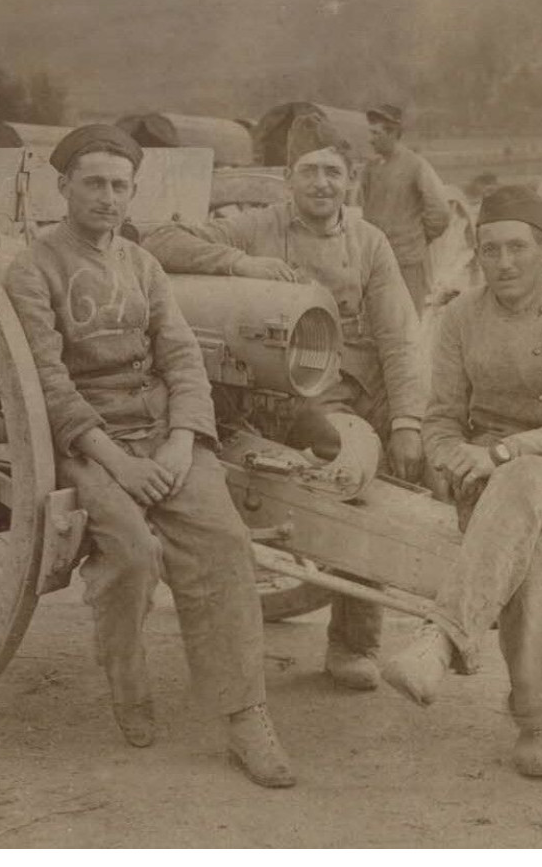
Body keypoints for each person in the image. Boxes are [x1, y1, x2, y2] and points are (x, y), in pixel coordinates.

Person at [3, 125, 295, 788]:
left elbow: (182, 356)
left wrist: (181, 440)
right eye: (93, 184)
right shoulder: (34, 266)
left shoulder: (143, 265)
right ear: (64, 188)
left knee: (222, 542)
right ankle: (127, 679)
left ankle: (245, 716)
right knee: (132, 554)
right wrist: (118, 462)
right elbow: (46, 382)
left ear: (132, 193)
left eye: (118, 186)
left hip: (160, 431)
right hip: (85, 441)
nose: (106, 198)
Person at [142, 113, 426, 691]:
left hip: (348, 394)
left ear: (351, 181)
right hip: (267, 398)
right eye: (308, 172)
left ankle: (354, 643)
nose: (321, 183)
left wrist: (407, 420)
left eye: (333, 172)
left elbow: (399, 337)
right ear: (288, 180)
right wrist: (240, 263)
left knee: (365, 483)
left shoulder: (369, 244)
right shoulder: (258, 227)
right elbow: (160, 241)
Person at [380, 185, 542, 778]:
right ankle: (535, 719)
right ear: (478, 256)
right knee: (531, 554)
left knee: (526, 479)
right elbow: (439, 419)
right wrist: (453, 456)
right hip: (487, 481)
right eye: (491, 250)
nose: (504, 262)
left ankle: (443, 637)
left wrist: (509, 451)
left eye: (518, 247)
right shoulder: (461, 317)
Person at [358, 103, 451, 310]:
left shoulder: (416, 165)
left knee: (407, 318)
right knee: (378, 318)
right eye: (370, 132)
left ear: (392, 133)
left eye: (376, 133)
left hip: (406, 261)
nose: (370, 139)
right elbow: (363, 208)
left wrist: (418, 237)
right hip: (375, 258)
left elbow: (441, 212)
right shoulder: (371, 168)